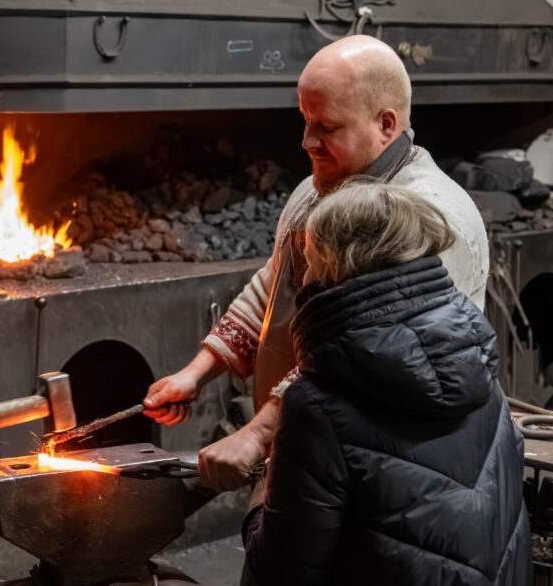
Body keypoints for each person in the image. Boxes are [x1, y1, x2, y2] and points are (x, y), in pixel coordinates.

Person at [142, 35, 490, 492]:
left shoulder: (427, 218)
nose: (307, 142)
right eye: (305, 120)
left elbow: (361, 352)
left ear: (386, 123)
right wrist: (199, 371)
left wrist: (259, 432)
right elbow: (275, 286)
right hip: (305, 447)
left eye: (326, 126)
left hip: (383, 475)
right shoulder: (319, 189)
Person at [243, 182, 529, 585]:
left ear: (332, 265)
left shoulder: (317, 404)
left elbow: (280, 573)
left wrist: (260, 499)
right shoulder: (477, 359)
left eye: (308, 260)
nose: (303, 275)